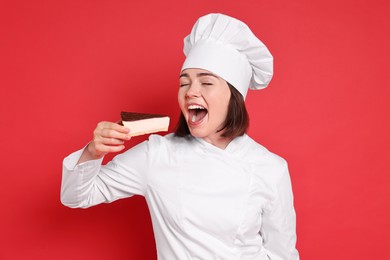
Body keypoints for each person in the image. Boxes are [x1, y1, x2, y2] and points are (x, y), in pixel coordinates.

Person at [61, 13, 300, 260]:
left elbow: (283, 255)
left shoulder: (271, 168)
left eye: (206, 83)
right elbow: (76, 196)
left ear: (234, 97)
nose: (191, 92)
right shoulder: (156, 154)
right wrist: (93, 152)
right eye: (184, 83)